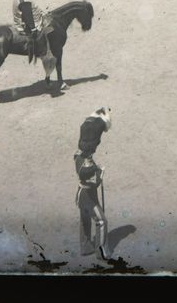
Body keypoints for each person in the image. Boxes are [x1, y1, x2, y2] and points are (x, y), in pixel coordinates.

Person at [76, 107, 112, 260]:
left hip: (81, 195)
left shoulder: (79, 156)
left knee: (85, 220)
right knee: (101, 221)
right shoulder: (87, 163)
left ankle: (85, 246)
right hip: (87, 195)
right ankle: (101, 251)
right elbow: (91, 179)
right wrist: (100, 173)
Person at [13, 0, 39, 64]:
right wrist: (33, 28)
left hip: (19, 21)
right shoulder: (24, 1)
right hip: (24, 25)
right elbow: (28, 16)